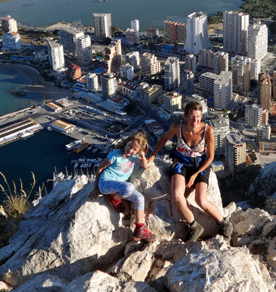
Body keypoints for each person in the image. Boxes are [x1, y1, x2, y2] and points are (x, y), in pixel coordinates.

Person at [147, 100, 232, 242]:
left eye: (198, 116)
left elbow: (210, 157)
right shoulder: (177, 127)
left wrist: (195, 174)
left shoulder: (207, 131)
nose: (195, 120)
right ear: (185, 116)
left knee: (201, 200)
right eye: (192, 116)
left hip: (200, 165)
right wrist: (153, 155)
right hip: (181, 162)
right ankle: (194, 226)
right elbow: (164, 138)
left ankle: (224, 223)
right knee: (177, 194)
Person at [89, 131, 155, 241]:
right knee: (129, 187)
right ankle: (114, 198)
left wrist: (142, 155)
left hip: (120, 187)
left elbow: (145, 166)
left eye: (135, 149)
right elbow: (100, 169)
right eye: (130, 146)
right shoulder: (115, 155)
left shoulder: (133, 156)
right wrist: (95, 188)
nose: (131, 150)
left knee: (139, 198)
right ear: (127, 142)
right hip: (105, 183)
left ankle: (139, 229)